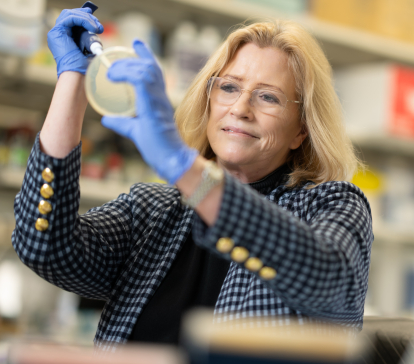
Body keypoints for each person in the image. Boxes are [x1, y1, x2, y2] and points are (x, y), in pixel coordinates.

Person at [12, 6, 374, 350]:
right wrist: (74, 81)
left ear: (302, 131)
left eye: (268, 97)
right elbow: (45, 248)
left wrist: (184, 166)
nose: (240, 108)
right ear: (209, 99)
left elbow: (327, 280)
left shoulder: (333, 205)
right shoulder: (155, 214)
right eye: (229, 87)